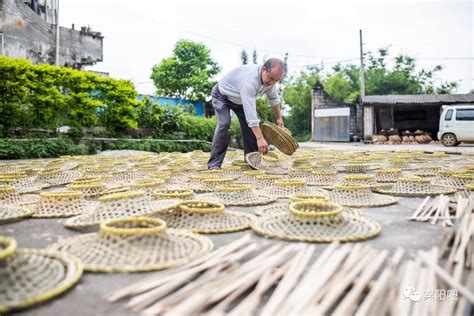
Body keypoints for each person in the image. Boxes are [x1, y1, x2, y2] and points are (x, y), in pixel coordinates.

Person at [207, 58, 285, 169]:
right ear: (263, 69)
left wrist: (279, 118)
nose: (272, 83)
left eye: (276, 80)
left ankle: (252, 163)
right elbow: (251, 117)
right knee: (224, 124)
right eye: (271, 78)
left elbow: (273, 99)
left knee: (251, 130)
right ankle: (214, 164)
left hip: (239, 101)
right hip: (222, 96)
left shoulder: (270, 82)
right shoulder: (250, 80)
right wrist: (260, 138)